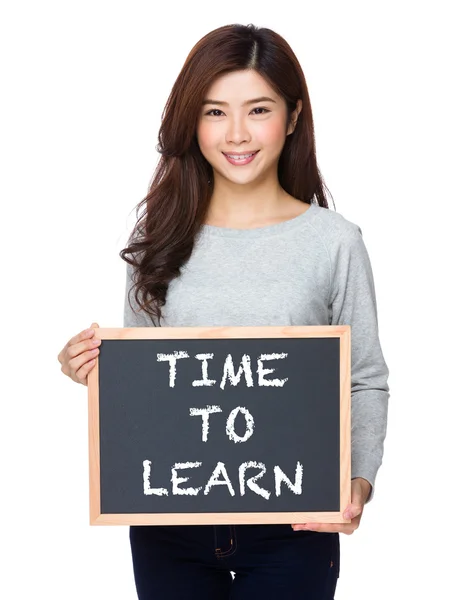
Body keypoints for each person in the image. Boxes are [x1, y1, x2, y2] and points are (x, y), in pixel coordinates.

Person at [57, 22, 390, 600]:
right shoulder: (157, 240)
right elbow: (150, 389)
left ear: (292, 116)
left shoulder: (334, 242)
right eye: (214, 112)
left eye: (257, 109)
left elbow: (363, 378)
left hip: (295, 522)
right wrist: (90, 369)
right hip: (169, 526)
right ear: (192, 121)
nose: (236, 133)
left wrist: (358, 482)